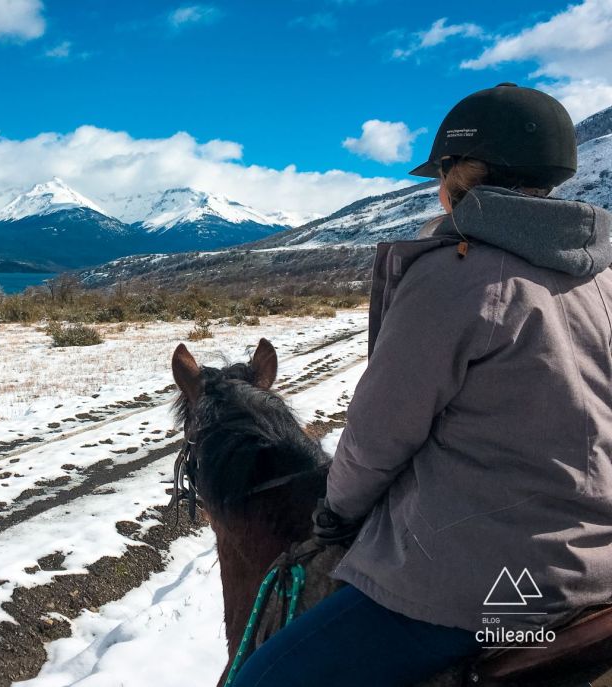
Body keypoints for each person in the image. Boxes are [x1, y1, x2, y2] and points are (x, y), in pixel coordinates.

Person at [232, 83, 612, 686]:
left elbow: (378, 434)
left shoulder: (457, 275)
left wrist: (335, 511)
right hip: (599, 559)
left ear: (460, 173)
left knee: (265, 677)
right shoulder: (600, 277)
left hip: (494, 581)